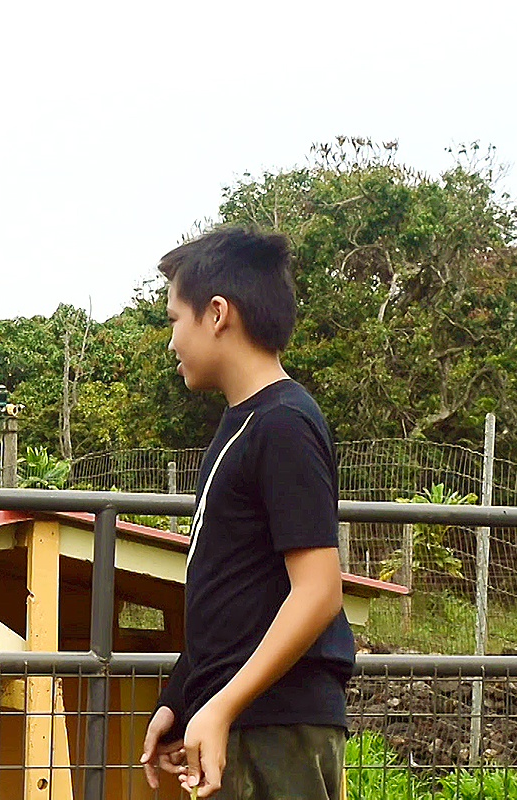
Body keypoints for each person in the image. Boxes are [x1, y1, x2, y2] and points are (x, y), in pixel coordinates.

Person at [139, 227, 355, 798]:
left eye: (173, 320)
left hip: (276, 724)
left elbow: (317, 591)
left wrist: (223, 705)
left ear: (216, 314)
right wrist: (182, 696)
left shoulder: (284, 425)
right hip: (241, 720)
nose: (171, 342)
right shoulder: (242, 424)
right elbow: (235, 594)